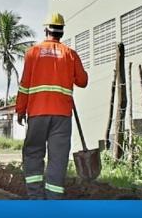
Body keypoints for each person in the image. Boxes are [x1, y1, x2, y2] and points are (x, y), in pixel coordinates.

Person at [15, 13, 88, 200]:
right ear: (62, 31)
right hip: (62, 116)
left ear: (46, 29)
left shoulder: (33, 53)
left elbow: (24, 85)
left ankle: (35, 198)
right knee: (58, 158)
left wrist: (20, 110)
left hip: (37, 114)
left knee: (33, 153)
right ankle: (53, 202)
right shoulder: (70, 54)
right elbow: (83, 81)